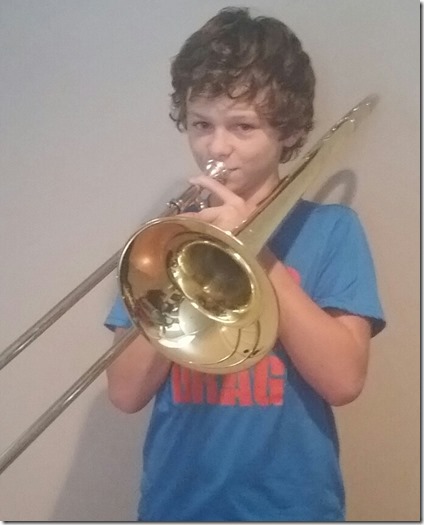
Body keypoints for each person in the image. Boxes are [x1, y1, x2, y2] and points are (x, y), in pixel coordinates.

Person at [104, 6, 385, 521]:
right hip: (175, 507)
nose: (217, 146)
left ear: (287, 131)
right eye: (201, 124)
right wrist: (173, 262)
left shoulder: (333, 229)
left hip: (293, 508)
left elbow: (344, 381)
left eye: (242, 126)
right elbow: (125, 393)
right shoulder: (160, 240)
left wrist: (254, 249)